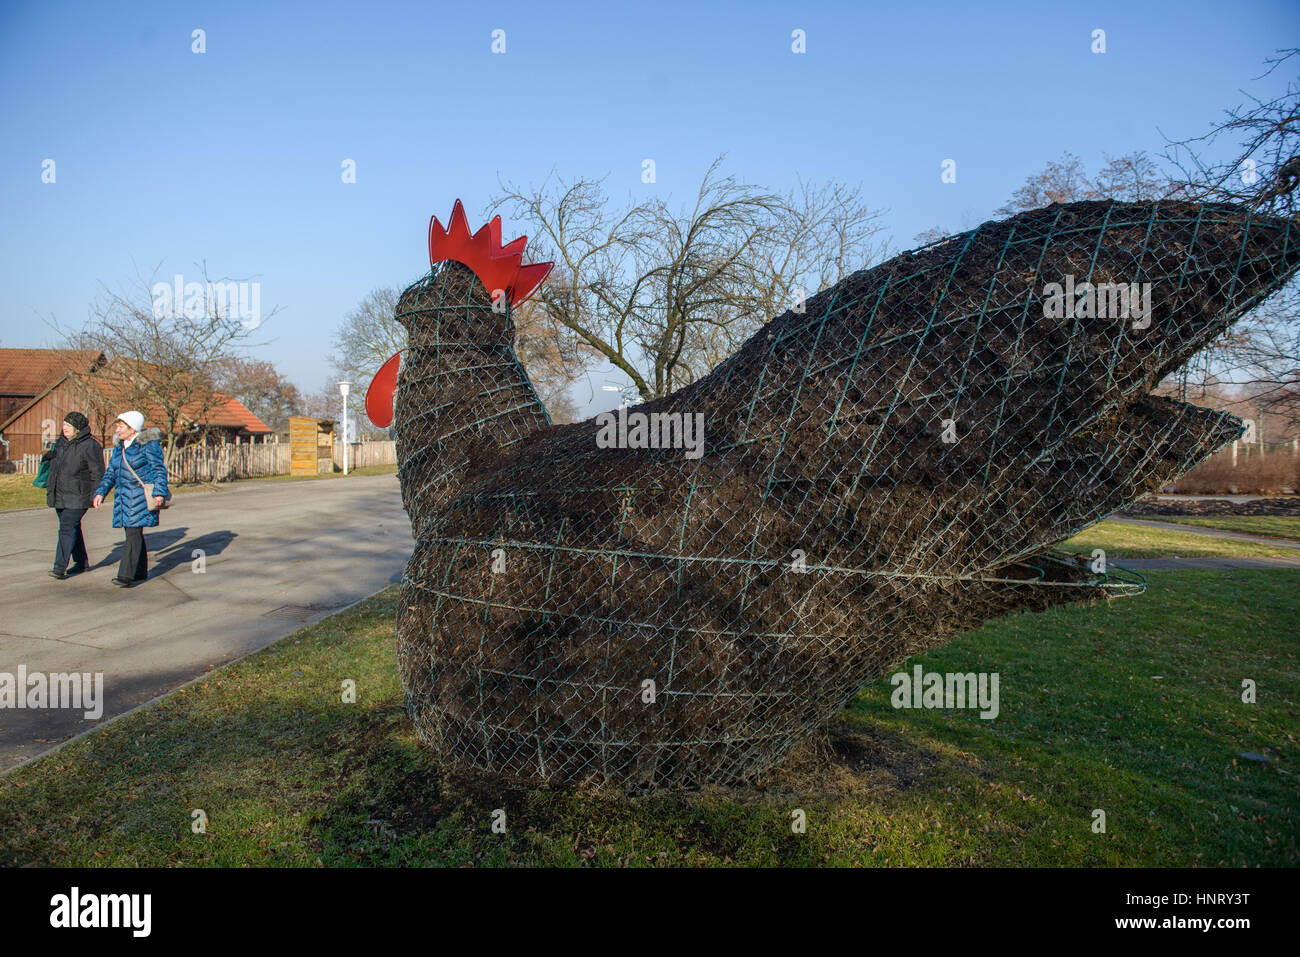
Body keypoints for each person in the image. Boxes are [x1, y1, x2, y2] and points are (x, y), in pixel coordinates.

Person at [92, 411, 171, 587]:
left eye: (121, 426)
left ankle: (125, 575)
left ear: (132, 428)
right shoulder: (120, 447)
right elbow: (111, 472)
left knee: (133, 533)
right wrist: (100, 493)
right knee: (133, 533)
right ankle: (140, 571)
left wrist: (159, 492)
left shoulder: (148, 445)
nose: (117, 430)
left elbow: (159, 470)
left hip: (140, 496)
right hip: (124, 497)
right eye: (117, 426)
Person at [42, 411, 105, 579]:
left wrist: (97, 494)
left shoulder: (90, 445)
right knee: (72, 527)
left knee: (66, 528)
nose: (64, 428)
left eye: (68, 426)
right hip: (59, 494)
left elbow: (97, 472)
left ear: (78, 428)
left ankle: (59, 567)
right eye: (63, 425)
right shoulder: (61, 443)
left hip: (79, 495)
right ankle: (81, 562)